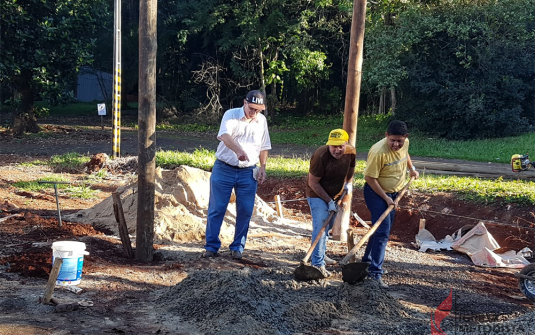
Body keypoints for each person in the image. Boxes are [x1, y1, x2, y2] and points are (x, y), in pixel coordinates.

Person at [203, 90, 271, 260]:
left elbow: (264, 146)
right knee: (217, 208)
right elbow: (224, 136)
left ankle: (237, 247)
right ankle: (211, 247)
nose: (254, 112)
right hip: (224, 168)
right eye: (252, 108)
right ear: (245, 102)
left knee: (245, 210)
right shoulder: (231, 115)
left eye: (257, 109)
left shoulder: (261, 121)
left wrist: (263, 167)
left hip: (248, 171)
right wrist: (238, 150)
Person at [362, 120, 419, 288]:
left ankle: (367, 261)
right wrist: (386, 198)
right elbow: (369, 178)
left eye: (399, 141)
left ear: (405, 137)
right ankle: (375, 273)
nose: (396, 144)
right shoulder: (378, 152)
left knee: (379, 229)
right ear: (386, 136)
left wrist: (411, 168)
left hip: (394, 193)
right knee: (383, 232)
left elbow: (405, 154)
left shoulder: (405, 143)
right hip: (376, 193)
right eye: (392, 140)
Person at [306, 129, 356, 278]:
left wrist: (348, 183)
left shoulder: (350, 152)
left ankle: (320, 253)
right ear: (328, 145)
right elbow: (313, 183)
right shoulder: (320, 156)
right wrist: (328, 201)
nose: (337, 150)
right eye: (333, 146)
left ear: (346, 144)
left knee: (327, 227)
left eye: (340, 146)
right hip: (317, 193)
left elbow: (351, 168)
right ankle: (317, 264)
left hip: (336, 194)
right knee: (321, 225)